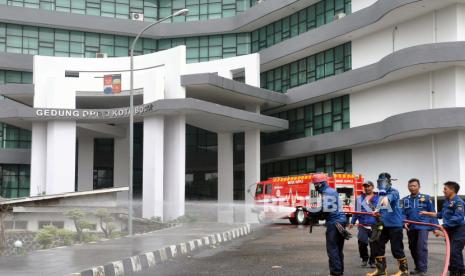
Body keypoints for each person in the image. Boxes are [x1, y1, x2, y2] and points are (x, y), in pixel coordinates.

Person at [367, 172, 409, 276]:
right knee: (377, 245)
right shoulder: (381, 195)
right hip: (384, 225)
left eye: (383, 182)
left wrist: (382, 192)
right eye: (379, 182)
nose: (381, 184)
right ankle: (381, 270)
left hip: (395, 226)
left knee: (396, 248)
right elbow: (381, 209)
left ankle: (404, 271)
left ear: (388, 182)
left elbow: (386, 202)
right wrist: (376, 213)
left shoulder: (393, 192)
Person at [420, 181, 465, 276]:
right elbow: (441, 214)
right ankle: (459, 270)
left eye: (445, 189)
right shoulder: (447, 201)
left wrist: (444, 225)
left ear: (452, 190)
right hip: (450, 231)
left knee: (454, 252)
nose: (443, 191)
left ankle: (456, 271)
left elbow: (458, 218)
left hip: (459, 231)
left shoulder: (459, 202)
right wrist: (427, 213)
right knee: (455, 252)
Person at [311, 173, 348, 276]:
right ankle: (339, 271)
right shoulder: (329, 191)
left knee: (332, 249)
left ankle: (335, 273)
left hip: (334, 223)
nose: (315, 187)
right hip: (338, 221)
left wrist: (310, 211)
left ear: (321, 184)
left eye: (316, 184)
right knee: (338, 249)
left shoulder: (327, 192)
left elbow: (324, 209)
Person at [401, 178, 439, 276]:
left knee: (421, 247)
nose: (412, 188)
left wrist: (435, 228)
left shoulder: (426, 198)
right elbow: (402, 213)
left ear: (419, 186)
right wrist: (404, 221)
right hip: (411, 227)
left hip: (423, 226)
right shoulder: (405, 200)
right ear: (408, 187)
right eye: (410, 186)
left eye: (414, 186)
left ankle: (422, 268)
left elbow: (432, 212)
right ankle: (418, 267)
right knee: (412, 247)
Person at [350, 181, 379, 268]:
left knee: (374, 244)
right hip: (362, 225)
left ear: (373, 187)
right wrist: (352, 222)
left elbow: (383, 211)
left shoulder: (378, 198)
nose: (367, 188)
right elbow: (356, 212)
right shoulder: (359, 199)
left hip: (375, 225)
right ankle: (364, 259)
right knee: (362, 243)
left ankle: (372, 261)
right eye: (365, 186)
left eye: (368, 186)